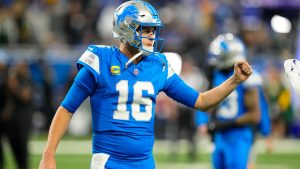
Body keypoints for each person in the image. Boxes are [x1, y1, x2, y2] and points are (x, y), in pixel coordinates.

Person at [39, 1, 253, 169]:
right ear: (126, 29)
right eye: (146, 29)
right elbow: (66, 110)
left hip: (145, 163)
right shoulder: (100, 60)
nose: (152, 36)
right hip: (109, 162)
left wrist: (234, 80)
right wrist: (49, 154)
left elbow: (201, 101)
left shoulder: (158, 65)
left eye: (153, 30)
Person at [196, 33, 270, 169]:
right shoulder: (215, 74)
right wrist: (203, 122)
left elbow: (256, 114)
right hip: (220, 135)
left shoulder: (248, 77)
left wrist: (266, 131)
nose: (214, 60)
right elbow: (203, 99)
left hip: (239, 135)